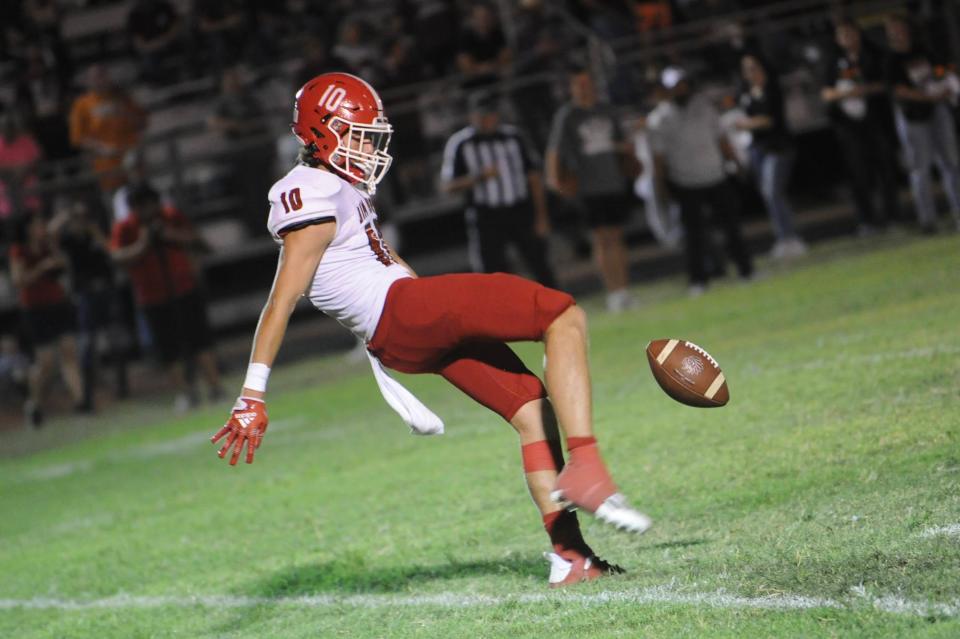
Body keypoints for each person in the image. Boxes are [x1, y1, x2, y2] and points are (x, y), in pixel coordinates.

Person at [209, 72, 651, 587]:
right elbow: (281, 301)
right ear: (321, 131)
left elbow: (380, 257)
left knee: (532, 407)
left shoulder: (339, 185)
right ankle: (588, 466)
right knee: (562, 314)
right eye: (358, 133)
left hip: (405, 323)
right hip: (401, 314)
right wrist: (252, 394)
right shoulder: (308, 192)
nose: (368, 144)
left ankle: (570, 557)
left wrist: (432, 305)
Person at [111, 184, 223, 412]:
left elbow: (199, 241)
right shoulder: (125, 228)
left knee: (200, 341)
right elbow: (118, 257)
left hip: (184, 288)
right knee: (169, 350)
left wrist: (170, 235)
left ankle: (215, 387)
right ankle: (185, 393)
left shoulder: (171, 217)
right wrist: (143, 243)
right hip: (153, 296)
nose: (149, 211)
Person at [647, 67, 753, 295]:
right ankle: (698, 280)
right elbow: (658, 159)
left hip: (715, 175)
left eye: (682, 84)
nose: (680, 89)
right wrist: (661, 185)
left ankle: (746, 270)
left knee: (731, 227)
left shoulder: (705, 107)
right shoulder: (659, 119)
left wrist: (735, 162)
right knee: (693, 235)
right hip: (684, 181)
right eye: (675, 86)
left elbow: (721, 139)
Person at [546, 68, 641, 313]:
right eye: (579, 84)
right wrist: (556, 181)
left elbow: (622, 143)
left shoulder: (607, 111)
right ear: (572, 88)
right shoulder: (568, 115)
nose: (584, 88)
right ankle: (613, 292)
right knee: (601, 239)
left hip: (612, 181)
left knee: (617, 236)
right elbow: (555, 151)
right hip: (588, 186)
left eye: (587, 83)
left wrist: (628, 157)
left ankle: (624, 289)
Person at [441, 92, 557, 288]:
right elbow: (448, 185)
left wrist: (541, 215)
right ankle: (500, 315)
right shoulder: (461, 143)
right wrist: (479, 176)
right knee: (491, 271)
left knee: (539, 262)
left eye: (491, 114)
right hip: (485, 214)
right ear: (473, 116)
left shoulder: (514, 137)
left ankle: (556, 308)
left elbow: (534, 177)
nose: (488, 120)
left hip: (519, 209)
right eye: (483, 115)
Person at [821, 17, 901, 233]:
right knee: (859, 173)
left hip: (876, 121)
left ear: (858, 33)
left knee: (885, 169)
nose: (847, 38)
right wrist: (845, 93)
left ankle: (893, 216)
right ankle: (866, 220)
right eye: (842, 35)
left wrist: (863, 90)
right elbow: (826, 92)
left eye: (850, 33)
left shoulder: (874, 54)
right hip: (849, 127)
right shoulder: (834, 61)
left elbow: (888, 83)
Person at [50, 196, 129, 409]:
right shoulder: (67, 239)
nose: (80, 221)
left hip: (105, 290)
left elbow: (111, 250)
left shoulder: (94, 234)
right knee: (87, 346)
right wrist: (66, 216)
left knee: (116, 340)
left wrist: (93, 230)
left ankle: (123, 388)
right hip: (85, 295)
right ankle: (88, 395)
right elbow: (51, 234)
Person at [884, 14, 960, 233]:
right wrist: (929, 97)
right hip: (913, 117)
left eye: (900, 28)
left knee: (951, 162)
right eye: (893, 30)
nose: (897, 33)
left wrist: (946, 85)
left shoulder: (923, 50)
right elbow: (898, 91)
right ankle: (928, 220)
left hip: (937, 111)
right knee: (920, 168)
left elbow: (940, 71)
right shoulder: (891, 59)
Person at [8, 213, 84, 426]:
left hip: (57, 303)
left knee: (69, 351)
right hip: (35, 309)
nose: (41, 227)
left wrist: (52, 244)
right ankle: (34, 403)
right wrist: (41, 268)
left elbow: (62, 264)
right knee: (46, 362)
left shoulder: (47, 245)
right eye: (37, 224)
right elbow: (18, 280)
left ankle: (81, 402)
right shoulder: (19, 250)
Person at [736, 54, 807, 259]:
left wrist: (745, 124)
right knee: (769, 195)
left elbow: (769, 120)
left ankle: (790, 237)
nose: (751, 73)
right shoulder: (746, 92)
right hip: (758, 148)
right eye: (747, 69)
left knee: (773, 191)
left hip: (778, 147)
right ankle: (784, 238)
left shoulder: (772, 89)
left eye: (754, 68)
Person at [68, 65, 148, 195]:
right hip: (106, 165)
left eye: (103, 76)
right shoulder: (81, 105)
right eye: (96, 77)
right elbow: (77, 138)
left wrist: (125, 112)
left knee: (141, 195)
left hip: (131, 160)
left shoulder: (122, 98)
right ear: (88, 81)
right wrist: (101, 148)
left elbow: (142, 122)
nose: (100, 80)